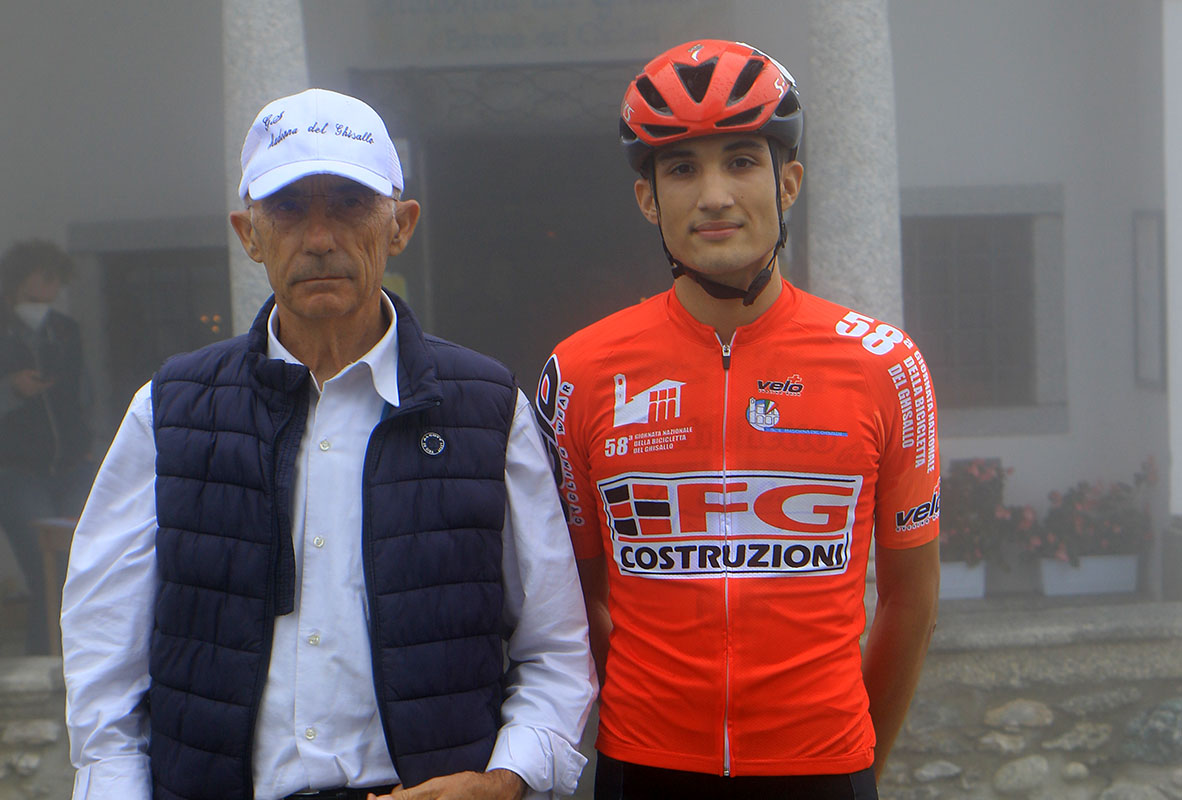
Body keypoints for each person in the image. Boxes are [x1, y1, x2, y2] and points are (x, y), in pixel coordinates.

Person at [61, 88, 596, 800]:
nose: (319, 238)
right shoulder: (171, 411)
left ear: (400, 225)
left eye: (349, 204)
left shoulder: (486, 408)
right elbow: (104, 657)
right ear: (248, 234)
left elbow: (555, 646)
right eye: (287, 209)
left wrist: (505, 779)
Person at [532, 40, 941, 800]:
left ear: (789, 183)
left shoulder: (888, 365)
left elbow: (912, 600)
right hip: (644, 765)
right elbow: (577, 596)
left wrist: (857, 764)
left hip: (825, 766)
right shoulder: (579, 372)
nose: (714, 194)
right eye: (682, 168)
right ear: (648, 200)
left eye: (742, 161)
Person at [0, 240, 92, 655]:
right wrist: (12, 389)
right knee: (43, 570)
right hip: (17, 469)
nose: (53, 287)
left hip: (71, 465)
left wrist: (89, 444)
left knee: (75, 567)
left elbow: (82, 392)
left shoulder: (65, 329)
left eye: (58, 279)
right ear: (22, 277)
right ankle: (45, 664)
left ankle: (68, 661)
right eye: (46, 276)